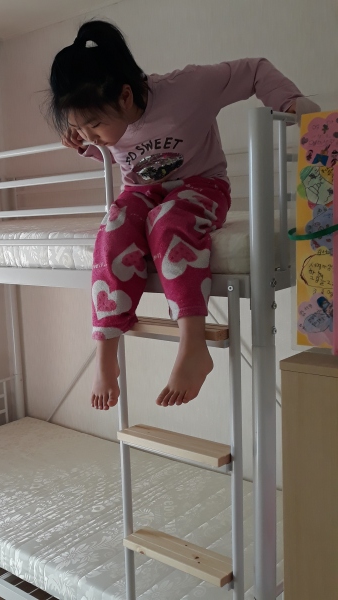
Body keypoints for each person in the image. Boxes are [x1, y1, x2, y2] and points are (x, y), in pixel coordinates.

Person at [47, 20, 319, 410]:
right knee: (112, 229)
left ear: (125, 96)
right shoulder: (103, 128)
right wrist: (84, 143)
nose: (91, 136)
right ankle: (106, 352)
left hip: (202, 185)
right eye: (79, 128)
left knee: (167, 224)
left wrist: (289, 101)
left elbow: (254, 69)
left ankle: (193, 345)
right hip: (142, 190)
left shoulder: (187, 88)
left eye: (94, 126)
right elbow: (115, 150)